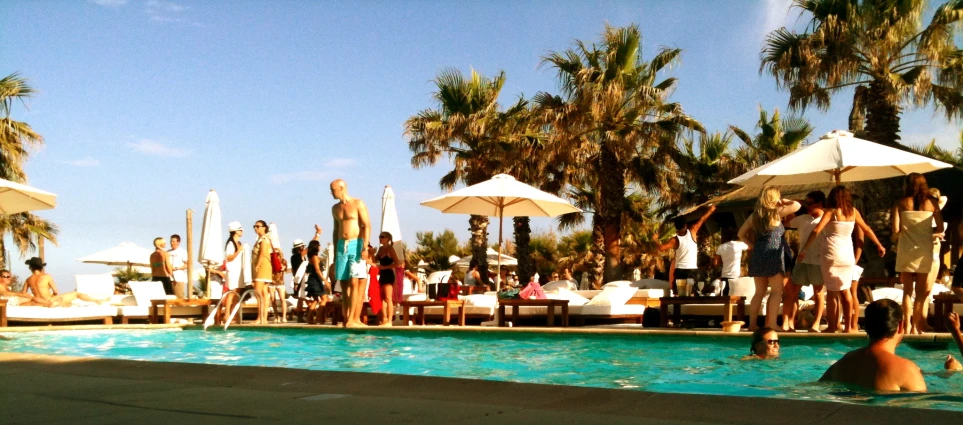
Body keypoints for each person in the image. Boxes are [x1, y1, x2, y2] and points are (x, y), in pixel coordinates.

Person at [800, 186, 885, 334]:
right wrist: (879, 244)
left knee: (832, 293)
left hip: (831, 254)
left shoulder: (831, 212)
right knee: (846, 291)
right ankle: (848, 327)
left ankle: (833, 326)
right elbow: (866, 229)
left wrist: (805, 249)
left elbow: (816, 230)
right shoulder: (853, 212)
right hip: (847, 255)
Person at [820, 299, 926, 392]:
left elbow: (819, 386)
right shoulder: (906, 370)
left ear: (866, 326)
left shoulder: (844, 363)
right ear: (900, 326)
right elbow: (921, 409)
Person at [739, 187, 800, 331]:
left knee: (759, 292)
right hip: (774, 254)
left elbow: (740, 233)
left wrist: (752, 246)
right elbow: (797, 205)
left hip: (759, 253)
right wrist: (784, 201)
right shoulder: (776, 213)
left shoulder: (754, 216)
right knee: (776, 291)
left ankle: (752, 324)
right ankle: (771, 323)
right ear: (774, 198)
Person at [891, 173, 944, 334]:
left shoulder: (899, 203)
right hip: (924, 251)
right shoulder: (932, 203)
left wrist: (907, 234)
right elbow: (940, 229)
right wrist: (926, 231)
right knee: (921, 293)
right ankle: (916, 326)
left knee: (907, 291)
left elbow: (895, 231)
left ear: (907, 185)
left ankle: (906, 327)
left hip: (906, 250)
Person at [784, 190, 827, 332]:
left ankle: (816, 324)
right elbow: (786, 222)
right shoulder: (803, 218)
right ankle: (789, 322)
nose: (807, 206)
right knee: (793, 293)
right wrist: (795, 204)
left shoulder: (827, 219)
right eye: (806, 203)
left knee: (818, 293)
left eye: (810, 203)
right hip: (802, 261)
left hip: (818, 261)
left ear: (820, 203)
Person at [330, 179, 371, 328]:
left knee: (355, 281)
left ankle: (355, 318)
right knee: (345, 282)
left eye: (333, 189)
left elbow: (367, 226)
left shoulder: (357, 203)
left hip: (356, 244)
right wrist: (335, 253)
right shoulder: (335, 208)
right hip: (342, 245)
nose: (331, 192)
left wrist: (365, 247)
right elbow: (335, 231)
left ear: (341, 188)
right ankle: (348, 318)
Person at [659, 205, 716, 293]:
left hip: (680, 270)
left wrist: (655, 239)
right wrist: (711, 210)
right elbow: (702, 219)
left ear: (676, 227)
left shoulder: (675, 240)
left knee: (678, 293)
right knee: (692, 292)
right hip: (691, 269)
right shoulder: (692, 231)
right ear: (685, 225)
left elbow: (661, 248)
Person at [22, 257, 108, 307]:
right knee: (76, 294)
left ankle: (56, 304)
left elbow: (23, 294)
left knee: (67, 303)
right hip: (49, 299)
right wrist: (53, 296)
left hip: (39, 301)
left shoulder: (28, 279)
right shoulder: (46, 276)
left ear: (30, 267)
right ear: (41, 268)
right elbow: (56, 291)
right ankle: (97, 301)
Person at [711, 227, 749, 297]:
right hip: (735, 276)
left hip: (724, 275)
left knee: (724, 296)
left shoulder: (721, 247)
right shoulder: (739, 245)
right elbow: (750, 246)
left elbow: (715, 262)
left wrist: (722, 262)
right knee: (734, 296)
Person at [251, 220, 274, 324]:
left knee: (258, 293)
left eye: (258, 226)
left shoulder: (264, 239)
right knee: (264, 293)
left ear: (264, 227)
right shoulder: (262, 238)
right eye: (254, 226)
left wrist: (257, 265)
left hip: (262, 267)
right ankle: (263, 318)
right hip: (265, 267)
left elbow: (263, 253)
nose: (256, 228)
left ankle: (260, 317)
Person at [303, 240, 331, 324]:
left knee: (315, 300)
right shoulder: (314, 257)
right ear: (316, 247)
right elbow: (317, 270)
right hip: (315, 280)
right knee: (324, 298)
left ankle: (309, 319)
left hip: (314, 279)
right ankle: (317, 318)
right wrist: (325, 281)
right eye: (319, 245)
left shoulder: (311, 256)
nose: (320, 247)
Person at [375, 231, 400, 326]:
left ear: (388, 239)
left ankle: (389, 320)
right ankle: (384, 318)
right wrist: (371, 253)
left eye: (382, 237)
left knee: (388, 298)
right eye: (379, 236)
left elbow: (397, 263)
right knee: (382, 298)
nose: (380, 238)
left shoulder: (390, 249)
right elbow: (375, 260)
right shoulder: (381, 249)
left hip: (388, 273)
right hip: (382, 274)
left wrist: (384, 267)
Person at [168, 234, 189, 299]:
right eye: (171, 241)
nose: (172, 243)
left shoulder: (182, 252)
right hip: (169, 277)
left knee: (179, 297)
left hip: (178, 277)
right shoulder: (168, 252)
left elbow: (187, 265)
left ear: (178, 242)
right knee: (170, 297)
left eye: (173, 241)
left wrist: (177, 268)